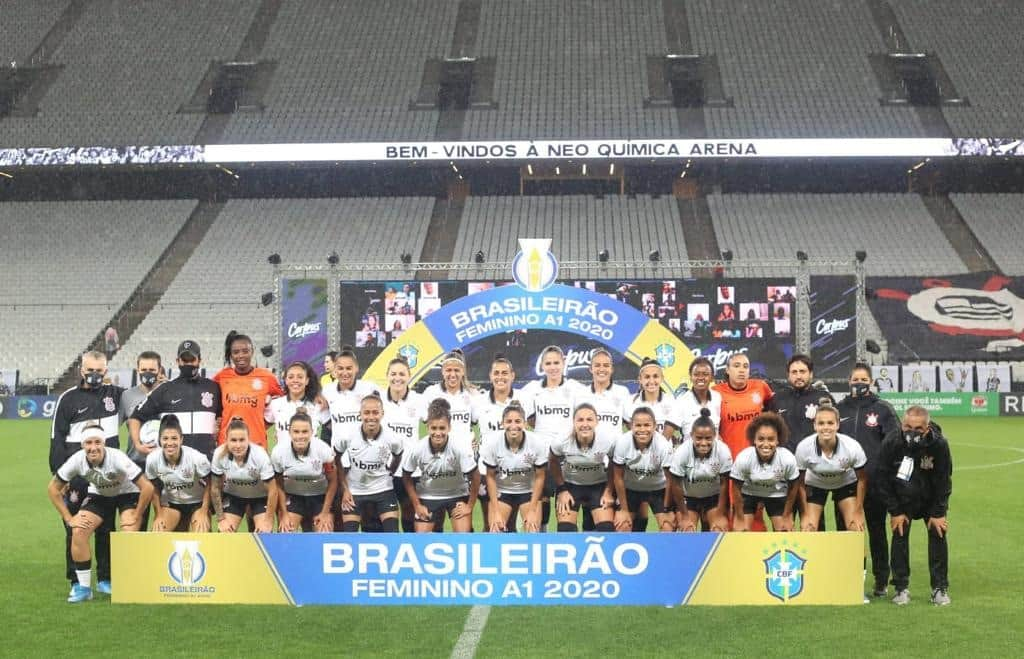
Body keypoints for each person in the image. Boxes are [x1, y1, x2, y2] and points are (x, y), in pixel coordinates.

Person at [47, 424, 153, 602]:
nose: (93, 447)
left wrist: (137, 515)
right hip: (100, 494)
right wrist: (69, 518)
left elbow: (147, 488)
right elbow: (53, 489)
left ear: (103, 444)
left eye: (97, 442)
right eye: (88, 442)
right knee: (78, 531)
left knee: (129, 532)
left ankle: (130, 584)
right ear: (82, 445)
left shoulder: (117, 458)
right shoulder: (77, 460)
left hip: (128, 493)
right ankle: (83, 588)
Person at [50, 350, 125, 597]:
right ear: (81, 370)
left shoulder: (115, 394)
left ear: (106, 371)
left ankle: (106, 578)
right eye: (90, 370)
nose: (94, 375)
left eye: (99, 371)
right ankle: (77, 581)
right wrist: (60, 478)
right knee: (74, 529)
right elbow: (57, 439)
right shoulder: (68, 399)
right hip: (77, 478)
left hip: (108, 478)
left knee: (106, 529)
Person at [876, 406, 952, 606]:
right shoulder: (892, 442)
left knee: (938, 533)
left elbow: (944, 480)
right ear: (902, 424)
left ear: (927, 429)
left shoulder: (939, 445)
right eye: (907, 426)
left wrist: (939, 512)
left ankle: (939, 588)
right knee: (899, 535)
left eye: (917, 429)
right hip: (902, 499)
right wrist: (895, 511)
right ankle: (901, 588)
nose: (911, 432)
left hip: (930, 500)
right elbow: (882, 478)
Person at [838, 362, 900, 597]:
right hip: (844, 481)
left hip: (875, 482)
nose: (860, 383)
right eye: (856, 379)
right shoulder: (840, 408)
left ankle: (881, 580)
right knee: (849, 531)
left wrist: (887, 474)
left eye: (864, 379)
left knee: (876, 531)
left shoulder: (882, 409)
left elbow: (894, 443)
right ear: (849, 381)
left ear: (871, 382)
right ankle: (850, 577)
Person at [520, 345, 581, 530]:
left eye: (556, 362)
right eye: (548, 363)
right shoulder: (532, 389)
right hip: (541, 458)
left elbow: (581, 420)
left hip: (567, 458)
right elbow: (529, 419)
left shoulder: (575, 388)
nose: (553, 367)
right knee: (541, 513)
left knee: (565, 509)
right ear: (543, 366)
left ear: (563, 363)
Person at [129, 340, 222, 460]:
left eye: (192, 360)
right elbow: (135, 417)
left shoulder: (213, 387)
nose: (188, 364)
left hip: (207, 460)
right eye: (184, 360)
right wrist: (137, 445)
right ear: (177, 361)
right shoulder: (165, 389)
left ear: (199, 360)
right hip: (173, 463)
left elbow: (222, 416)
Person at [401, 399, 479, 532]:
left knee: (463, 538)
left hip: (457, 494)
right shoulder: (417, 449)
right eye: (434, 428)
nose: (438, 433)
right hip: (428, 495)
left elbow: (476, 476)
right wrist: (417, 505)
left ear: (449, 428)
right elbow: (406, 475)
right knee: (421, 540)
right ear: (428, 428)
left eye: (442, 428)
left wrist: (469, 505)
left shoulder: (459, 448)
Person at [471, 354, 526, 530]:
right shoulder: (478, 401)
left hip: (514, 470)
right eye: (496, 373)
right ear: (490, 375)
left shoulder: (524, 399)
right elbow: (464, 427)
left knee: (510, 523)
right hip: (486, 471)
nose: (500, 377)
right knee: (490, 524)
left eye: (504, 373)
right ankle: (489, 558)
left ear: (512, 375)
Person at [334, 394, 404, 532]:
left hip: (384, 489)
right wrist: (345, 489)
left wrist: (391, 471)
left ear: (382, 414)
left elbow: (398, 455)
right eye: (366, 413)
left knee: (392, 535)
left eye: (375, 412)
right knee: (349, 537)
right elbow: (337, 459)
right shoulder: (347, 436)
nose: (371, 417)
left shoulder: (393, 438)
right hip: (354, 491)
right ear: (360, 414)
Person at [794, 403, 867, 532]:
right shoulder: (804, 447)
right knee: (808, 529)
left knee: (855, 527)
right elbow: (799, 483)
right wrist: (804, 514)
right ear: (814, 425)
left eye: (830, 423)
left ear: (837, 425)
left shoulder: (852, 447)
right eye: (821, 423)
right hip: (815, 483)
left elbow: (862, 479)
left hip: (844, 483)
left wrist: (858, 510)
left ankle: (859, 552)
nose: (826, 427)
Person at [548, 403, 617, 532]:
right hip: (570, 486)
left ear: (597, 422)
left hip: (598, 486)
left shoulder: (608, 440)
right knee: (566, 531)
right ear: (573, 422)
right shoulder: (561, 440)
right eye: (580, 420)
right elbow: (552, 461)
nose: (585, 424)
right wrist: (562, 490)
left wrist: (608, 492)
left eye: (589, 419)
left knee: (606, 529)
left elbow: (615, 464)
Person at [481, 401, 548, 532]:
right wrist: (495, 510)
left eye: (518, 421)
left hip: (528, 491)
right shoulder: (492, 443)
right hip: (503, 491)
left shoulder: (537, 443)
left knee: (532, 530)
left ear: (525, 423)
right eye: (509, 421)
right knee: (495, 530)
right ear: (502, 423)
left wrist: (533, 510)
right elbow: (490, 477)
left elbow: (540, 477)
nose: (513, 426)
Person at [729, 412, 799, 532]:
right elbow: (735, 487)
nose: (766, 444)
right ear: (754, 440)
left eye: (771, 439)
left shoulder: (787, 459)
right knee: (741, 531)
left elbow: (794, 486)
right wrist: (739, 517)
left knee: (785, 531)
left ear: (778, 440)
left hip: (777, 494)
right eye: (761, 439)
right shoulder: (744, 458)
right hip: (749, 493)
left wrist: (787, 515)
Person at [213, 332, 284, 449]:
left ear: (252, 351)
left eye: (245, 351)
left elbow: (285, 401)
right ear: (231, 355)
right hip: (227, 443)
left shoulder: (267, 377)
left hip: (256, 443)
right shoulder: (222, 377)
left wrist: (266, 423)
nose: (241, 355)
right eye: (236, 352)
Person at [611, 407, 676, 533]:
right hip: (631, 490)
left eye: (647, 425)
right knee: (622, 526)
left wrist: (667, 509)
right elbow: (618, 477)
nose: (642, 430)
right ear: (631, 426)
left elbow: (670, 480)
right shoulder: (623, 442)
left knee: (668, 527)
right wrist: (623, 509)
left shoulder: (663, 445)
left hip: (658, 490)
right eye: (638, 425)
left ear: (654, 426)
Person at [209, 418, 278, 533]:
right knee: (225, 532)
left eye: (242, 440)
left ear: (248, 439)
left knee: (264, 533)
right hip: (234, 497)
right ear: (226, 440)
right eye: (233, 440)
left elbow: (273, 490)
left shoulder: (260, 455)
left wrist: (268, 520)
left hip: (259, 498)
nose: (238, 445)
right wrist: (221, 519)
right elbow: (215, 488)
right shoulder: (219, 454)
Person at [271, 411, 337, 532]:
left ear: (312, 432)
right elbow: (278, 484)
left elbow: (333, 481)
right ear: (290, 432)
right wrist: (284, 514)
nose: (300, 436)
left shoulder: (323, 450)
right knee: (286, 533)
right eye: (296, 432)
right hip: (294, 497)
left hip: (319, 497)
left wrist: (325, 512)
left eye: (305, 432)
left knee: (325, 532)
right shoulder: (278, 452)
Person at [668, 409, 732, 532]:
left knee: (718, 529)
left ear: (715, 436)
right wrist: (685, 516)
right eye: (698, 438)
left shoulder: (723, 451)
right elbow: (675, 485)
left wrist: (719, 514)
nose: (703, 443)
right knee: (687, 531)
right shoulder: (682, 452)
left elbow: (725, 484)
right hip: (689, 499)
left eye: (708, 438)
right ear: (691, 435)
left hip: (713, 498)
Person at [145, 414, 212, 533]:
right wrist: (159, 514)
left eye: (174, 438)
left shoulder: (196, 458)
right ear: (160, 440)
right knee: (157, 532)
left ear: (181, 439)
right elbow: (153, 487)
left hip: (197, 503)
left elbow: (210, 482)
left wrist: (204, 510)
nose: (170, 443)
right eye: (165, 438)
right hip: (172, 503)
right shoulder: (152, 459)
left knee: (202, 532)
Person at [381, 356, 424, 532]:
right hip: (385, 469)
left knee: (409, 514)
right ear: (387, 375)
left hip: (410, 470)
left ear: (409, 376)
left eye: (401, 374)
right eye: (393, 374)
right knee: (386, 516)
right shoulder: (379, 400)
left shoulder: (419, 400)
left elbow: (437, 421)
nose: (397, 378)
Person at [420, 349, 477, 453]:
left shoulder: (472, 393)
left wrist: (475, 441)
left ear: (463, 371)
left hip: (465, 453)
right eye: (448, 370)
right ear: (442, 371)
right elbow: (424, 421)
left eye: (456, 370)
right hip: (439, 454)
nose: (452, 374)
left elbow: (476, 423)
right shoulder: (431, 393)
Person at [120, 351, 165, 478]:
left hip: (163, 460)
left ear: (159, 370)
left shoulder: (168, 392)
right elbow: (114, 429)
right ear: (137, 370)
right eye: (144, 369)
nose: (147, 373)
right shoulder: (127, 396)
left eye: (152, 369)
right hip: (135, 461)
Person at [323, 345, 380, 441]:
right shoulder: (327, 391)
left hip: (365, 451)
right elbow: (323, 417)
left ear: (356, 368)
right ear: (335, 370)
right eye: (340, 368)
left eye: (349, 368)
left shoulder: (369, 388)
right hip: (339, 452)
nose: (345, 372)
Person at [265, 361, 325, 446]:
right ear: (285, 380)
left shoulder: (318, 405)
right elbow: (260, 427)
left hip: (311, 458)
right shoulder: (275, 404)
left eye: (300, 377)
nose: (295, 380)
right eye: (291, 377)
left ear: (307, 380)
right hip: (283, 458)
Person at [574, 348, 631, 434]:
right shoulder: (581, 394)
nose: (601, 369)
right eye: (597, 365)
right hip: (589, 447)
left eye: (606, 365)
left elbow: (631, 423)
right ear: (590, 369)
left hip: (615, 447)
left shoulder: (622, 392)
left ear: (612, 369)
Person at [624, 358, 679, 443]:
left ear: (662, 378)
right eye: (647, 377)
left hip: (664, 454)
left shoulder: (671, 401)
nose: (651, 381)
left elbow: (665, 438)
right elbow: (633, 433)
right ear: (640, 379)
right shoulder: (630, 401)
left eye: (655, 376)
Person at [672, 357, 722, 443]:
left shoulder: (718, 398)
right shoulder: (682, 402)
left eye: (705, 374)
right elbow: (666, 435)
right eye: (696, 374)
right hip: (689, 455)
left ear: (712, 378)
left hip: (715, 455)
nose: (700, 378)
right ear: (691, 377)